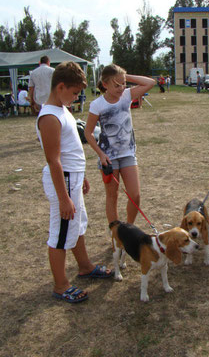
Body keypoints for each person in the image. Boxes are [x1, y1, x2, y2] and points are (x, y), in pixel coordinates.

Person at [36, 61, 113, 304]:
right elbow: (54, 160)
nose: (76, 97)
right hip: (64, 182)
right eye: (75, 92)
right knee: (60, 235)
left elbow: (71, 151)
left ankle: (85, 266)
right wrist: (63, 198)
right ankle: (61, 285)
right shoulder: (49, 116)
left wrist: (81, 177)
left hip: (73, 179)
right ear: (60, 87)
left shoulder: (62, 108)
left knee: (77, 225)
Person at [84, 64, 155, 225]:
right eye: (116, 85)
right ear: (105, 84)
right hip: (108, 158)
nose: (121, 87)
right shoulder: (97, 105)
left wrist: (124, 76)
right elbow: (88, 133)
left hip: (128, 154)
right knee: (112, 196)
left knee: (135, 195)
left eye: (123, 83)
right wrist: (101, 155)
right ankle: (116, 235)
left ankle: (128, 229)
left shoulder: (127, 95)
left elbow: (150, 83)